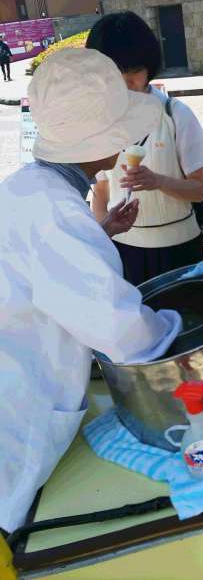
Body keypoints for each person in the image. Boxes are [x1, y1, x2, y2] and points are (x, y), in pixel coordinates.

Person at [0, 47, 183, 534]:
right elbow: (119, 329)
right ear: (98, 143)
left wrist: (99, 233)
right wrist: (176, 330)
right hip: (22, 415)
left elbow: (44, 271)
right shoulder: (57, 211)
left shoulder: (27, 186)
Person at [87, 12, 203, 286]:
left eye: (133, 73)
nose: (126, 84)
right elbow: (100, 194)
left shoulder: (174, 114)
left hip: (179, 249)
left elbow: (198, 190)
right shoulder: (99, 123)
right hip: (124, 250)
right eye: (115, 76)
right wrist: (102, 245)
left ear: (149, 66)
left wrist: (157, 181)